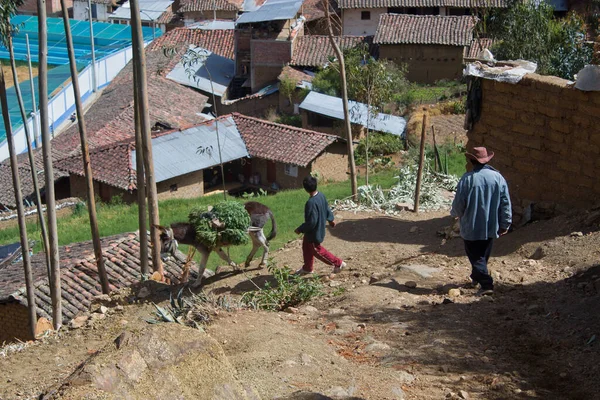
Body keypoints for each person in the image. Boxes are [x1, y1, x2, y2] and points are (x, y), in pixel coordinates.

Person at [451, 147, 512, 296]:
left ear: (471, 161)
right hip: (491, 225)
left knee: (476, 256)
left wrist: (455, 214)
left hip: (471, 226)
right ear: (487, 160)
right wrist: (505, 223)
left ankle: (486, 284)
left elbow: (459, 203)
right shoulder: (498, 178)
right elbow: (505, 202)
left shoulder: (467, 179)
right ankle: (476, 277)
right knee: (483, 254)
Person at [294, 176, 346, 275]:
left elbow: (311, 222)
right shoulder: (321, 195)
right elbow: (326, 208)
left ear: (305, 189)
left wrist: (300, 229)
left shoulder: (311, 203)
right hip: (317, 229)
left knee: (316, 250)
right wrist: (330, 220)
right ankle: (307, 268)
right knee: (306, 246)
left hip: (314, 232)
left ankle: (338, 263)